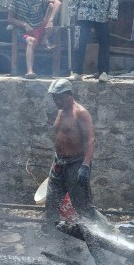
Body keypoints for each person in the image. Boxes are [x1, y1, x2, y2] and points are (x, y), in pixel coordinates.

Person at [43, 79, 101, 230]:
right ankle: (52, 238)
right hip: (59, 163)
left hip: (76, 164)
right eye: (54, 97)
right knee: (51, 203)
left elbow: (90, 140)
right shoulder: (60, 111)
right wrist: (56, 160)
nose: (56, 101)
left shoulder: (80, 113)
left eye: (59, 97)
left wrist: (85, 166)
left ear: (69, 94)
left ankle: (101, 235)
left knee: (83, 207)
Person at [8, 0, 62, 79]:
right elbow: (10, 18)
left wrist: (50, 20)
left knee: (51, 6)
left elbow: (58, 3)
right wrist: (24, 24)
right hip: (24, 33)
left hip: (40, 30)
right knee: (31, 41)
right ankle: (29, 71)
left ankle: (45, 39)